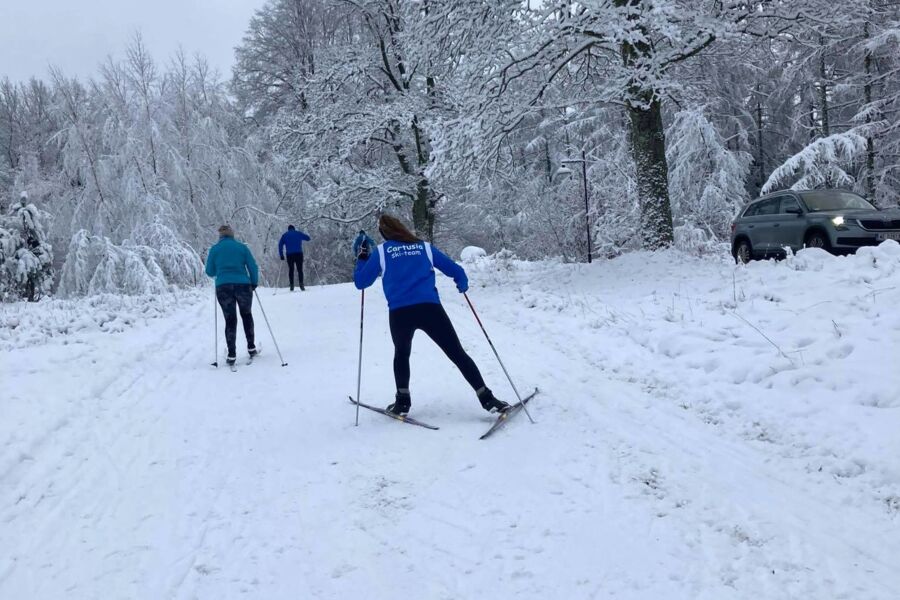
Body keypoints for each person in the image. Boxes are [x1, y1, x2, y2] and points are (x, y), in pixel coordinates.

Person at [353, 215, 510, 416]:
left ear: (384, 233)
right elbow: (455, 270)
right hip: (430, 309)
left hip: (400, 313)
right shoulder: (423, 247)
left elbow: (361, 283)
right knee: (457, 353)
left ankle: (402, 403)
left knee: (402, 354)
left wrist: (361, 259)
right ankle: (488, 399)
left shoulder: (382, 252)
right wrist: (461, 282)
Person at [205, 225, 259, 366]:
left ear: (220, 236)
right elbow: (253, 266)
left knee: (230, 319)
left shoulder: (215, 249)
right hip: (243, 286)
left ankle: (231, 354)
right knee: (246, 315)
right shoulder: (242, 248)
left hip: (223, 287)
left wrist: (221, 270)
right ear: (232, 235)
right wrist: (253, 282)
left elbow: (209, 271)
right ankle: (251, 348)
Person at [278, 225, 311, 291]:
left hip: (289, 255)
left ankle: (292, 285)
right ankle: (301, 285)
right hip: (299, 254)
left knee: (291, 270)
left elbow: (280, 245)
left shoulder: (285, 235)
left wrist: (281, 255)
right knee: (300, 270)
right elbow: (308, 238)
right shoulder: (298, 233)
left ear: (288, 229)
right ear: (294, 228)